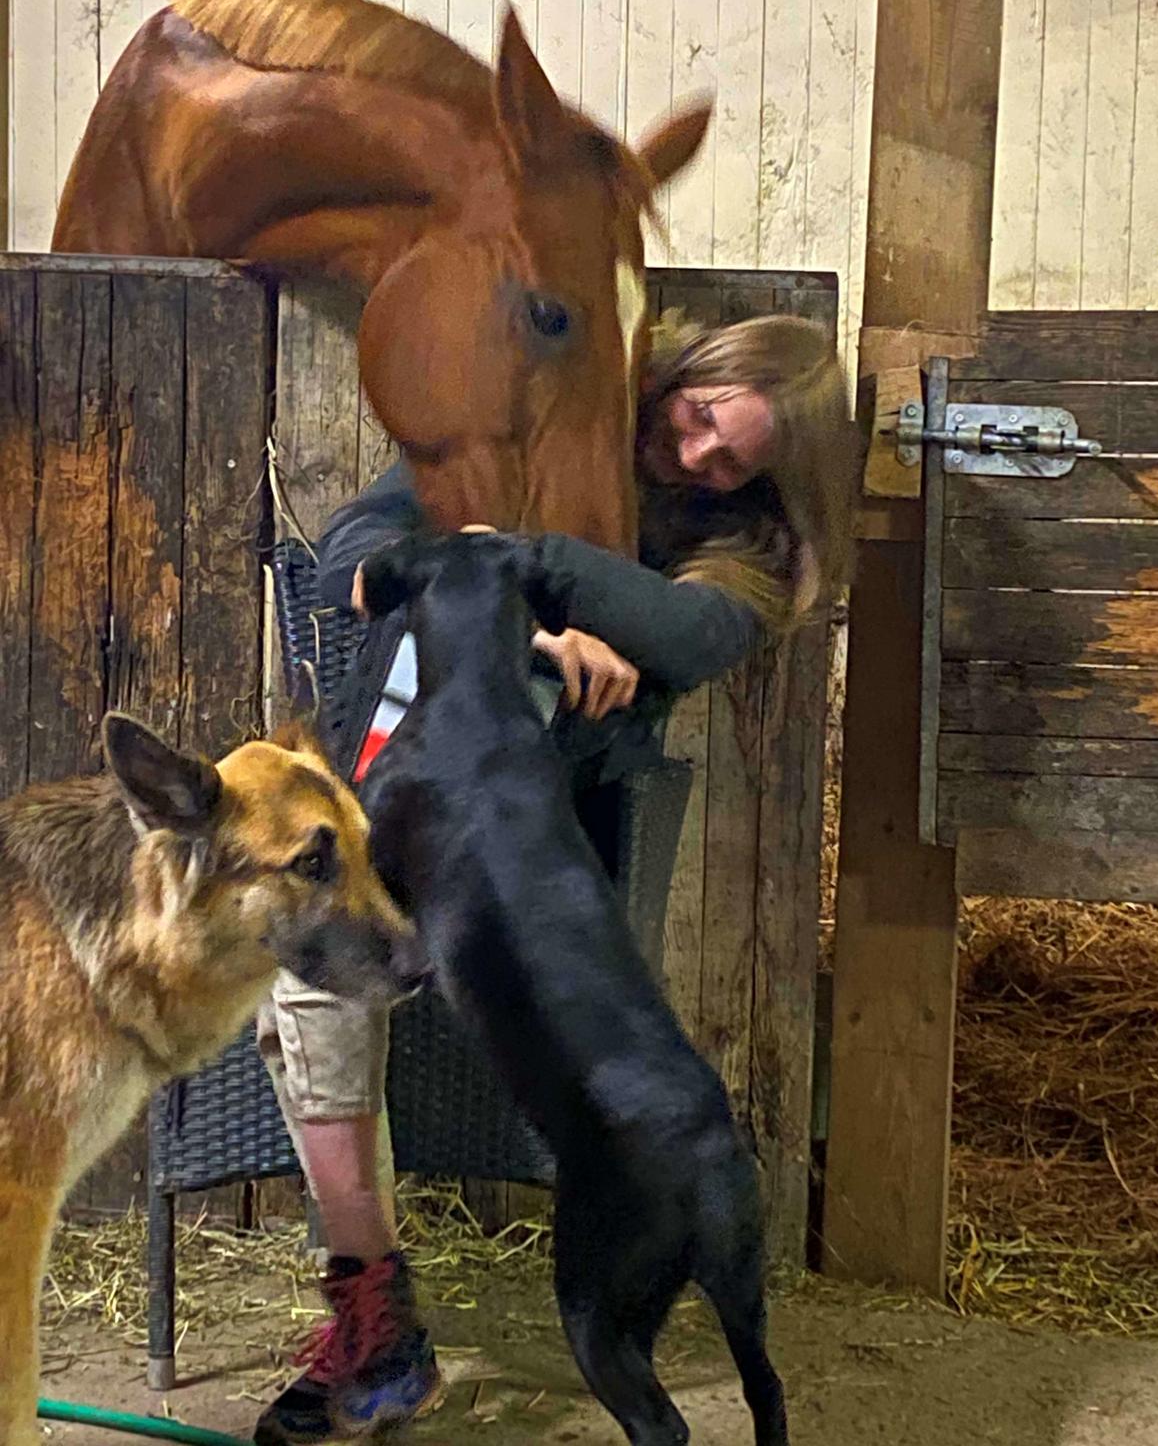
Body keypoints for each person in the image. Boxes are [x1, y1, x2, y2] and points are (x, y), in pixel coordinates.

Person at [253, 311, 858, 1446]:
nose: (692, 461)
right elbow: (351, 563)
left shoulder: (747, 554)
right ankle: (372, 1310)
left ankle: (385, 1324)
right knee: (302, 978)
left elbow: (681, 636)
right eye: (692, 422)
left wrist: (505, 569)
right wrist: (531, 637)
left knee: (317, 975)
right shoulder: (527, 417)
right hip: (391, 781)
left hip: (535, 844)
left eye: (731, 464)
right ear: (682, 374)